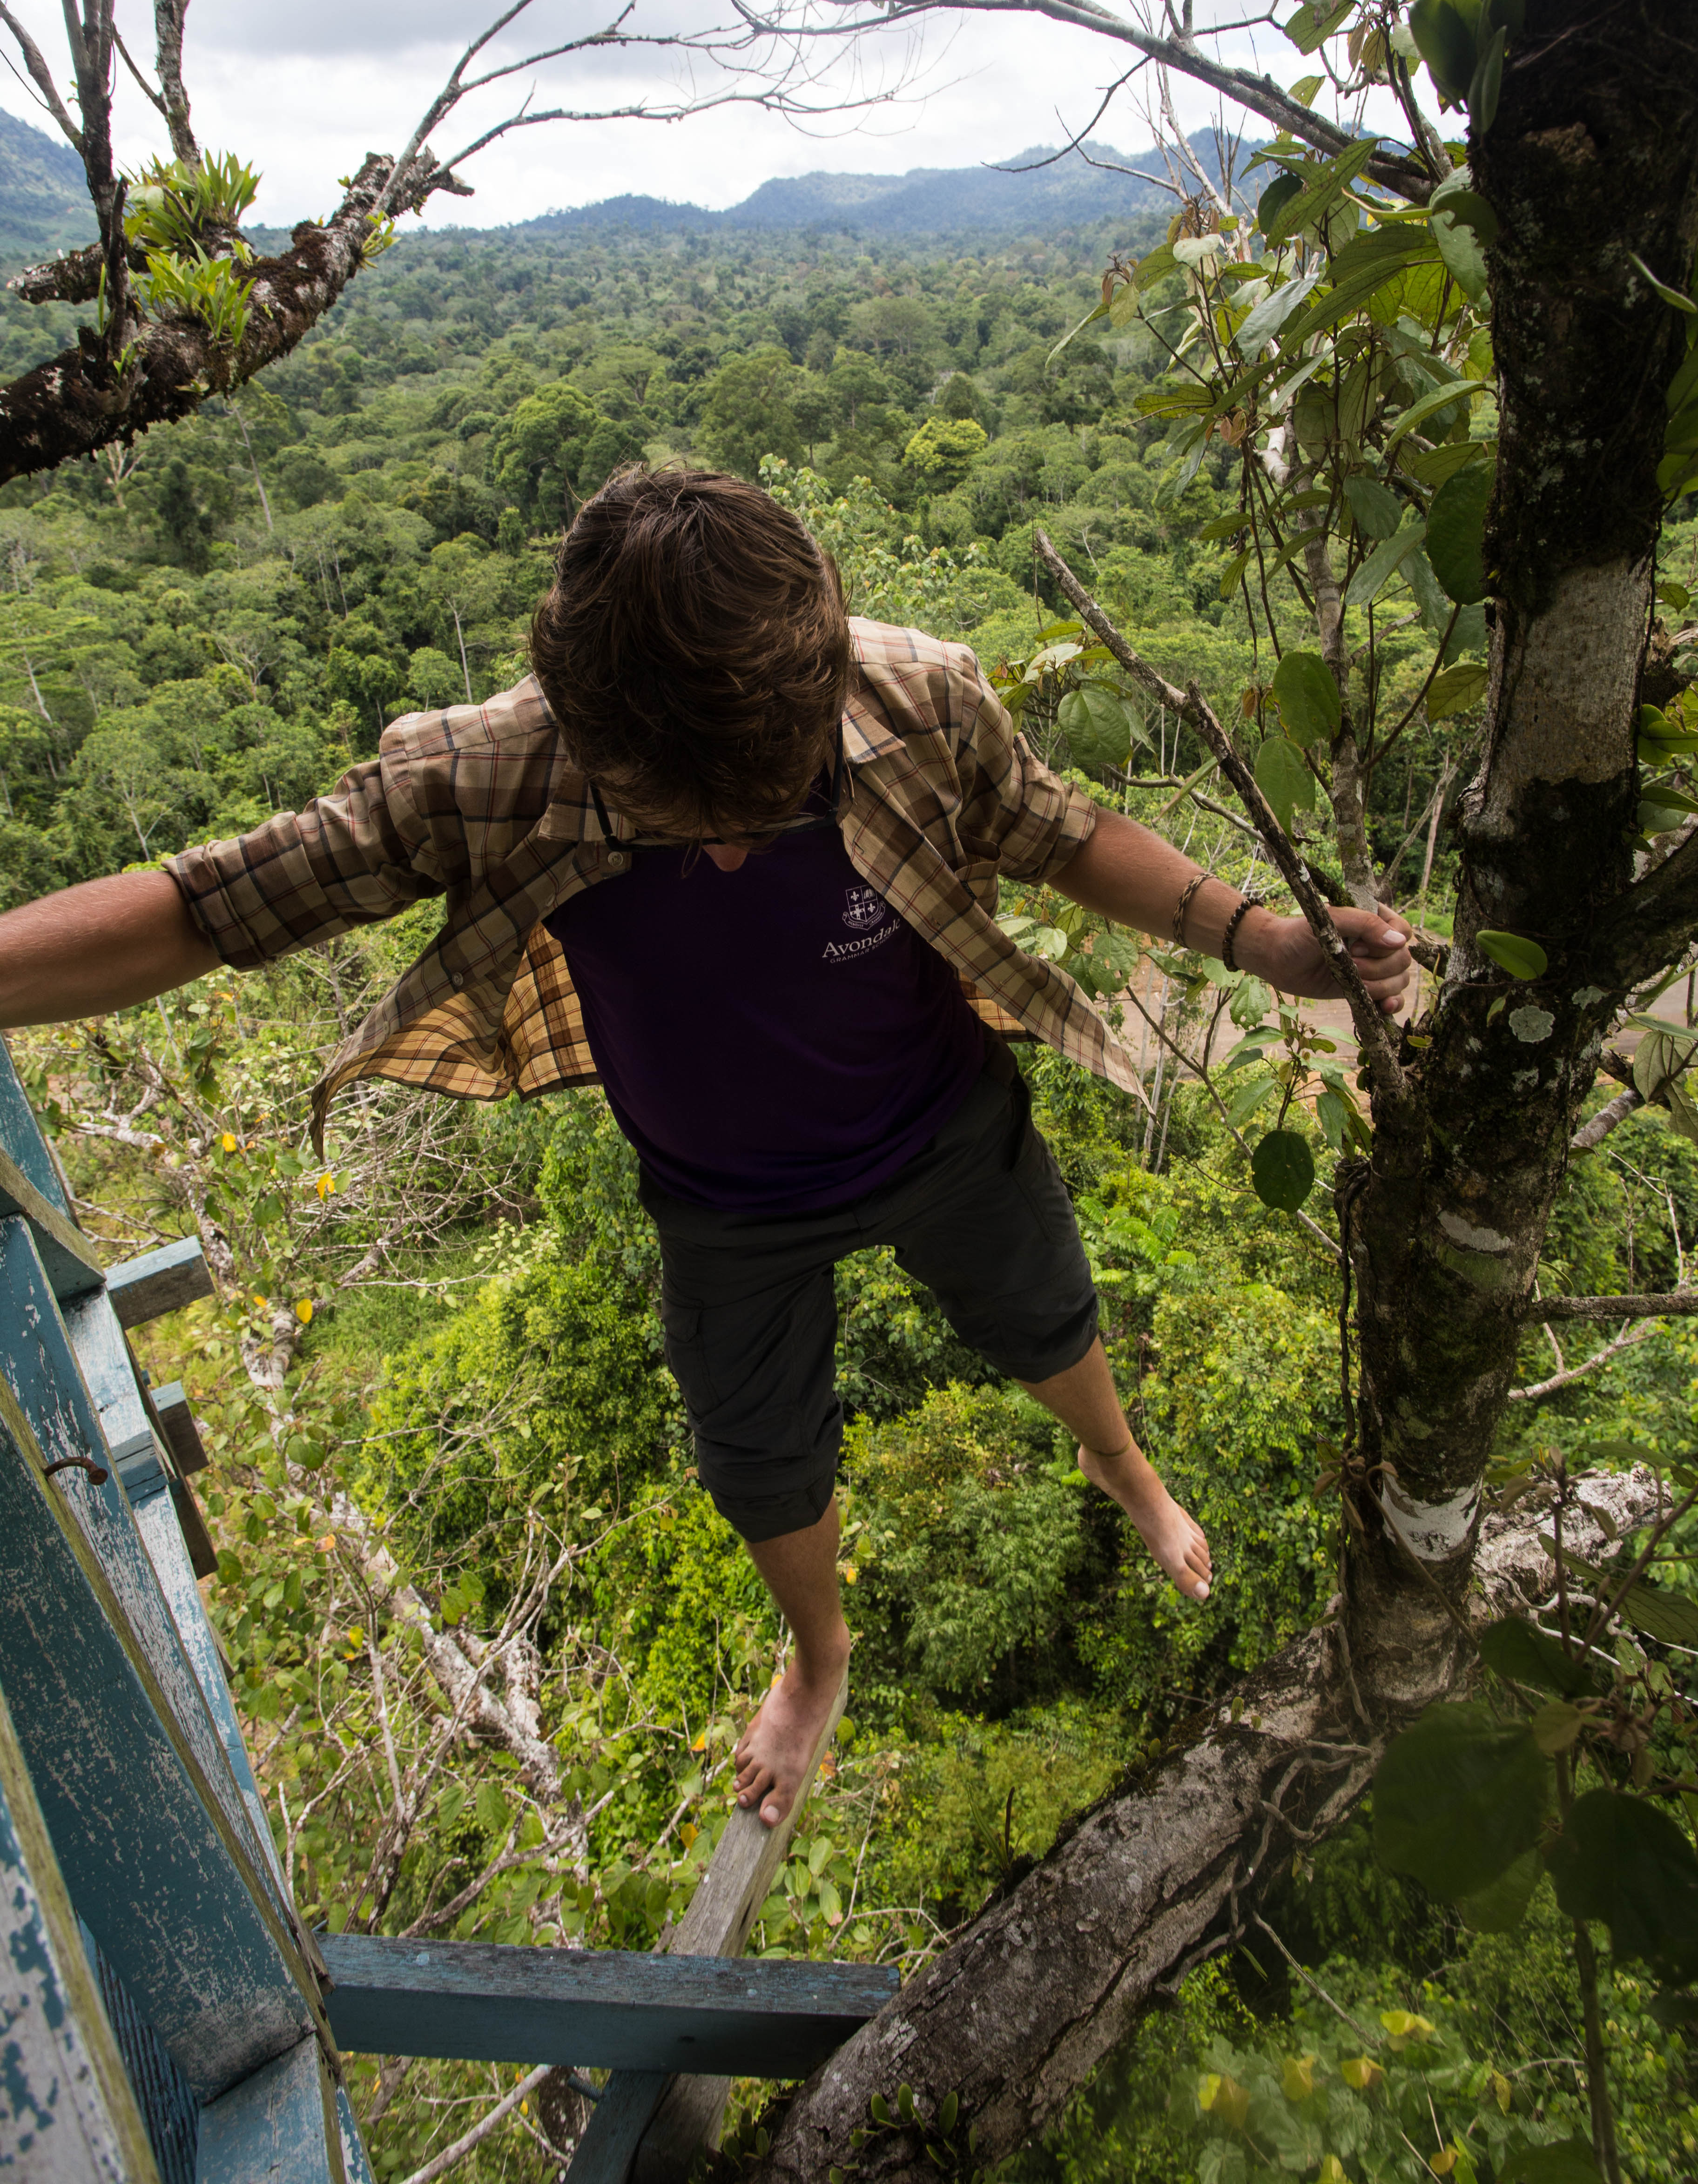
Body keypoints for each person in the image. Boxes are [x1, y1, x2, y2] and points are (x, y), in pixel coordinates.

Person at [0, 468, 1412, 1826]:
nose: (732, 856)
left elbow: (1061, 831)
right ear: (584, 733)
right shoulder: (488, 777)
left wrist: (1268, 945)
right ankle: (820, 1657)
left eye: (764, 805)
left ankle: (1123, 1468)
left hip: (938, 1117)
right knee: (758, 1461)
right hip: (724, 1202)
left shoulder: (919, 703)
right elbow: (205, 909)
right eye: (680, 825)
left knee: (1046, 1313)